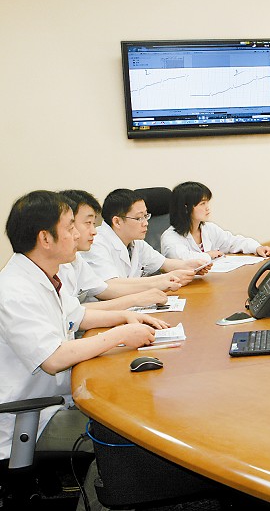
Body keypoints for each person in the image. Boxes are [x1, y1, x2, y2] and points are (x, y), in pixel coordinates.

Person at [0, 190, 168, 460]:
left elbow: (79, 315)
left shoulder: (44, 277)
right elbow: (53, 359)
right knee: (133, 434)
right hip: (31, 421)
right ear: (45, 238)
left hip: (58, 400)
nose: (78, 234)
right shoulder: (15, 291)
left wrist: (127, 317)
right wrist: (121, 334)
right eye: (70, 227)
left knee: (137, 403)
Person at [59, 190, 183, 309]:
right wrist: (140, 296)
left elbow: (102, 289)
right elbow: (75, 312)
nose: (94, 231)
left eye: (146, 216)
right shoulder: (96, 244)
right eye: (88, 223)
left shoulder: (76, 259)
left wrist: (157, 284)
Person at [83, 189, 210, 282]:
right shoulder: (96, 243)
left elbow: (165, 264)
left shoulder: (136, 243)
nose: (146, 223)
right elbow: (111, 286)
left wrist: (192, 266)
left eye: (146, 216)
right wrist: (162, 280)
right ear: (117, 222)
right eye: (139, 218)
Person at [161, 181, 270, 262]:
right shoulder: (170, 237)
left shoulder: (209, 229)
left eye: (207, 202)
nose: (207, 208)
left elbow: (233, 242)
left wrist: (257, 248)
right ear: (186, 208)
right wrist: (208, 255)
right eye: (202, 204)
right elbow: (182, 259)